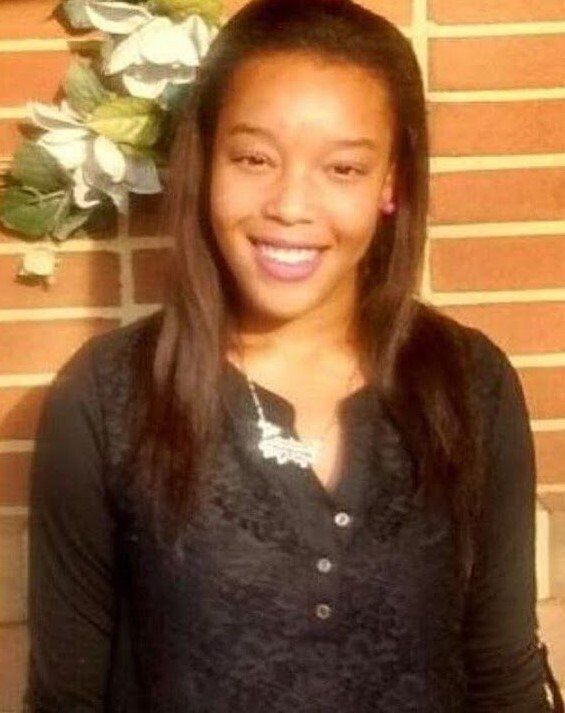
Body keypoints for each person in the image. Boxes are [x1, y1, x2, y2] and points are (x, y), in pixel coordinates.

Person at [24, 0, 563, 711]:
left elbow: (503, 673)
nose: (289, 205)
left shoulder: (468, 383)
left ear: (391, 183)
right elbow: (64, 697)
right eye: (254, 158)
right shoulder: (105, 397)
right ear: (205, 161)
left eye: (342, 168)